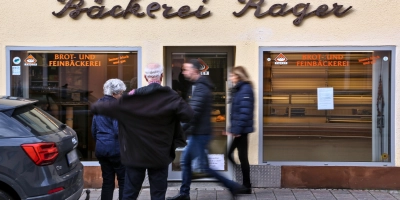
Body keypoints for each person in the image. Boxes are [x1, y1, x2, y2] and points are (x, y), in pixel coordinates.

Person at [91, 63, 193, 200]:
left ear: (145, 77)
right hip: (160, 153)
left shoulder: (133, 96)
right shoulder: (170, 96)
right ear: (162, 76)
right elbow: (189, 116)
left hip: (135, 154)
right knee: (158, 194)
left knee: (130, 193)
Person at [167, 59, 246, 200]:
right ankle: (184, 193)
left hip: (200, 134)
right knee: (187, 163)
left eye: (186, 69)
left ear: (195, 71)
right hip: (197, 133)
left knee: (203, 167)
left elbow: (193, 112)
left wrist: (179, 129)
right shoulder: (197, 85)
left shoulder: (201, 87)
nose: (183, 72)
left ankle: (232, 186)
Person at [91, 79, 126, 200]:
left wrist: (101, 141)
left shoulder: (98, 103)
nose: (121, 96)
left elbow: (93, 129)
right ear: (114, 93)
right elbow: (118, 130)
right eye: (121, 93)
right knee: (123, 181)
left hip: (101, 148)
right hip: (115, 149)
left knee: (107, 181)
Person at [225, 66, 255, 194]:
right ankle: (245, 185)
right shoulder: (240, 89)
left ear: (239, 75)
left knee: (237, 156)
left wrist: (236, 130)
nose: (231, 78)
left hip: (241, 130)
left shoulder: (245, 90)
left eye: (232, 75)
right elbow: (237, 112)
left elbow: (244, 113)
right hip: (239, 129)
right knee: (240, 157)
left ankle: (245, 185)